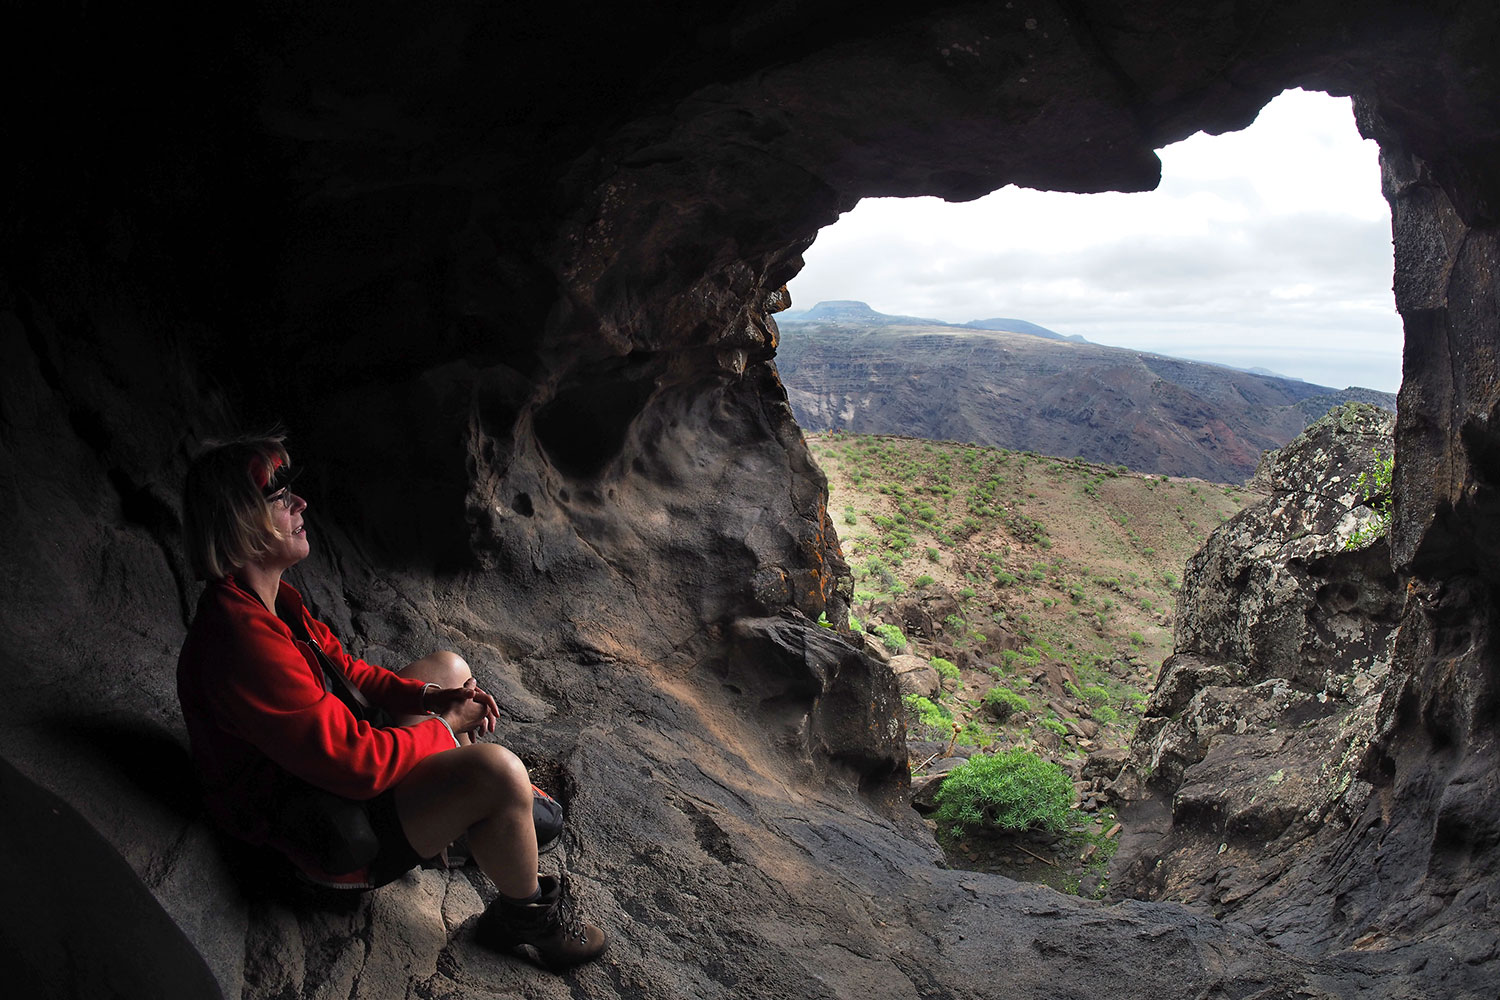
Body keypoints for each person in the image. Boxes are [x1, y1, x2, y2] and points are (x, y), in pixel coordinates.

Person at [176, 434, 606, 970]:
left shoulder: (271, 600)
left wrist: (435, 696)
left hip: (323, 778)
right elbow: (358, 764)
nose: (300, 503)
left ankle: (467, 823)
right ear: (241, 522)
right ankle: (523, 917)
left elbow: (349, 671)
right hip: (313, 839)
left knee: (449, 666)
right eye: (280, 497)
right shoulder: (242, 640)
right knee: (499, 770)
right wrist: (446, 726)